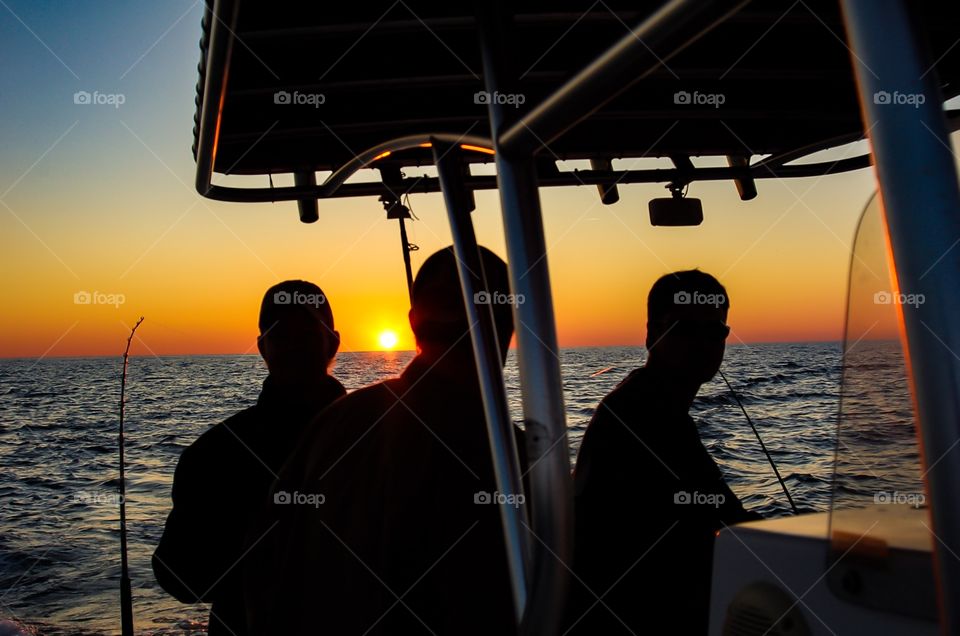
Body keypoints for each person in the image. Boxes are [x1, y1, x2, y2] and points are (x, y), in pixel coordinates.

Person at [244, 246, 524, 635]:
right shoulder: (522, 459)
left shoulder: (333, 428)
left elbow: (268, 580)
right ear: (511, 322)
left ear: (413, 322)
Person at [565, 270, 761, 635]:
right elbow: (729, 526)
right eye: (685, 328)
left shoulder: (653, 406)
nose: (702, 342)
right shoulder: (643, 416)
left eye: (715, 331)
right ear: (652, 334)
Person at [153, 280, 345, 636]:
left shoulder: (381, 437)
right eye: (280, 336)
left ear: (332, 342)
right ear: (262, 347)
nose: (292, 347)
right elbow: (179, 577)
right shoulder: (212, 454)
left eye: (305, 334)